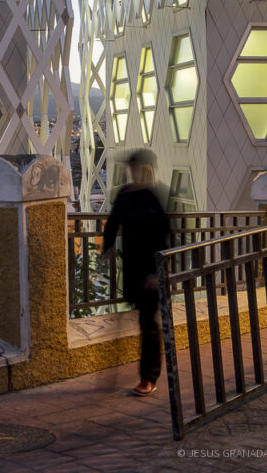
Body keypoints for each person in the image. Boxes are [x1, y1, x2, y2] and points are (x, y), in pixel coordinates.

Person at [103, 150, 169, 396]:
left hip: (151, 272)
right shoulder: (126, 194)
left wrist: (156, 274)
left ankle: (149, 378)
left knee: (148, 323)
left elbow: (164, 235)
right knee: (144, 321)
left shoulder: (154, 197)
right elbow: (112, 223)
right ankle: (147, 376)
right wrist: (106, 247)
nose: (134, 172)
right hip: (132, 269)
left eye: (137, 167)